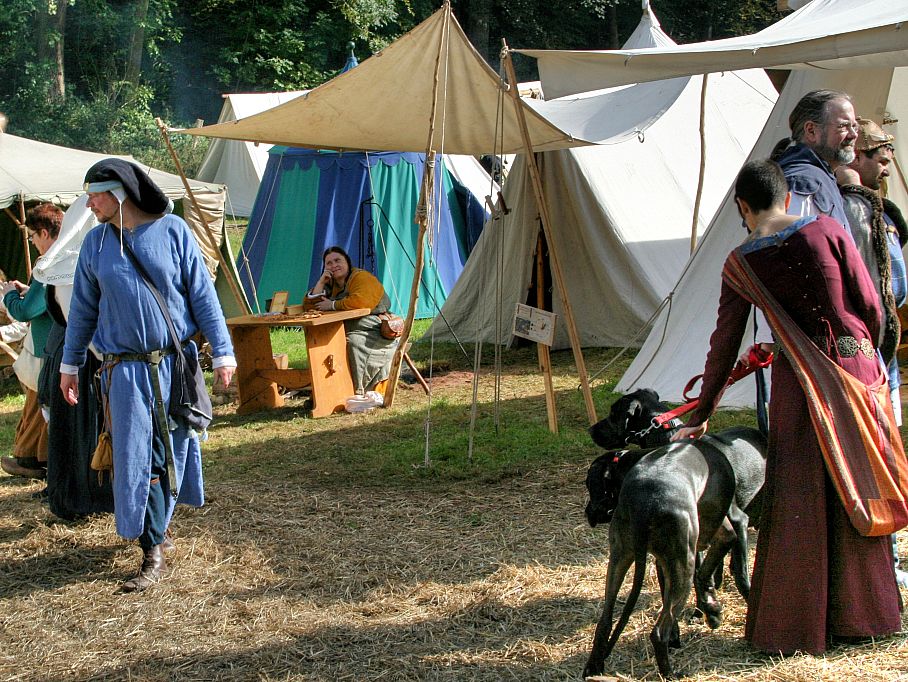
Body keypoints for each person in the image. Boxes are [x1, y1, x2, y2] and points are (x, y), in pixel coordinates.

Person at [672, 159, 901, 656]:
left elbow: (724, 343)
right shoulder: (827, 228)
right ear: (788, 195)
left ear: (743, 206)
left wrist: (701, 411)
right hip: (856, 366)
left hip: (800, 384)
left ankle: (801, 625)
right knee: (857, 481)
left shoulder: (741, 263)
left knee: (804, 496)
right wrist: (870, 357)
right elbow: (871, 304)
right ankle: (869, 616)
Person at [60, 159, 235, 593]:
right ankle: (152, 547)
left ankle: (158, 528)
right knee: (138, 456)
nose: (89, 202)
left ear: (119, 193)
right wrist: (70, 364)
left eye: (95, 194)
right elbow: (82, 311)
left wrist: (225, 352)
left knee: (171, 450)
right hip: (125, 373)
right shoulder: (96, 245)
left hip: (174, 366)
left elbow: (203, 296)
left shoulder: (173, 231)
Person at [1, 203, 62, 479]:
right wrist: (29, 290)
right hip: (51, 347)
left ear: (45, 233)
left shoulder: (50, 264)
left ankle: (38, 461)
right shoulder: (62, 259)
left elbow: (26, 311)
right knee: (37, 406)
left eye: (33, 236)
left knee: (43, 407)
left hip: (49, 351)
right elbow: (45, 300)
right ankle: (30, 458)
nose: (33, 242)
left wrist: (8, 296)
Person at [305, 246, 397, 395]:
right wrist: (321, 282)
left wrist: (333, 305)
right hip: (351, 326)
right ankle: (330, 388)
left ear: (347, 262)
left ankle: (360, 389)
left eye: (337, 260)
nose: (334, 265)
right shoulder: (331, 283)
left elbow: (362, 301)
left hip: (374, 327)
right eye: (329, 263)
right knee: (329, 343)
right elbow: (310, 305)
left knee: (353, 342)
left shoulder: (361, 277)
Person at [770, 90, 858, 231]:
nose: (853, 135)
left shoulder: (823, 178)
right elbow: (794, 246)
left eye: (854, 126)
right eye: (843, 126)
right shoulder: (802, 181)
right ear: (811, 131)